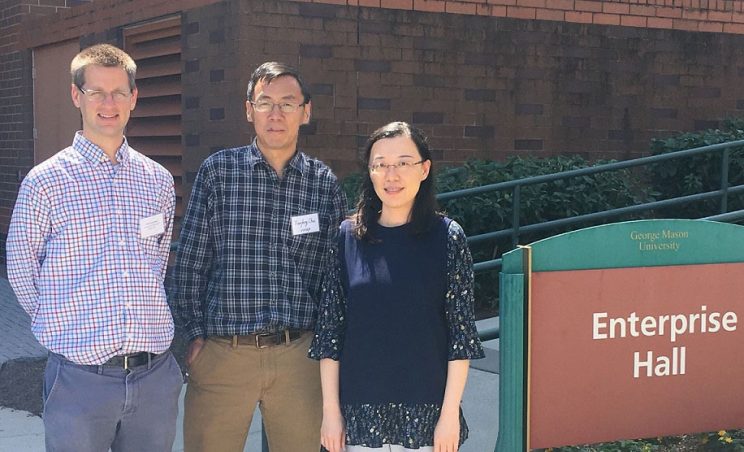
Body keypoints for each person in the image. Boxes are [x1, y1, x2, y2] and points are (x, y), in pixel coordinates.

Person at [6, 43, 180, 452]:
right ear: (75, 96)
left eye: (119, 92)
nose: (108, 102)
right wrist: (61, 320)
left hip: (154, 379)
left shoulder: (156, 180)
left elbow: (155, 260)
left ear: (133, 98)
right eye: (96, 92)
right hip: (79, 382)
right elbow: (20, 267)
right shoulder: (45, 182)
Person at [171, 61, 348, 452]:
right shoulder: (218, 173)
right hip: (223, 354)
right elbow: (189, 264)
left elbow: (334, 279)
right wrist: (194, 337)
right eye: (265, 102)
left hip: (299, 357)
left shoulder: (323, 184)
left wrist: (327, 346)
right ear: (249, 110)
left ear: (306, 111)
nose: (276, 113)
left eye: (288, 103)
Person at [309, 121, 485, 452]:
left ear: (424, 169)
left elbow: (460, 338)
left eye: (404, 163)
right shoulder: (347, 238)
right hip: (358, 419)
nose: (392, 175)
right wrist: (330, 412)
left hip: (427, 418)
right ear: (370, 172)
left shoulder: (448, 238)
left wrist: (450, 414)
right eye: (381, 165)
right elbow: (331, 333)